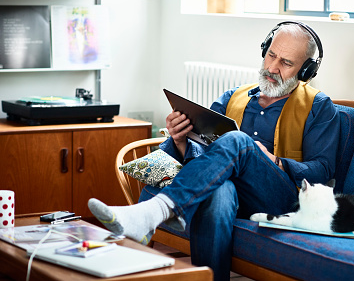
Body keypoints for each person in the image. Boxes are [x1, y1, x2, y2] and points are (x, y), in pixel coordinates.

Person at [88, 21, 341, 281]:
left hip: (280, 197)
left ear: (305, 71)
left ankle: (157, 211)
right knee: (219, 191)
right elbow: (204, 156)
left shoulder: (319, 107)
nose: (272, 67)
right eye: (271, 55)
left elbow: (322, 172)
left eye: (286, 63)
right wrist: (180, 140)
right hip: (228, 192)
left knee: (238, 142)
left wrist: (274, 160)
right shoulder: (233, 97)